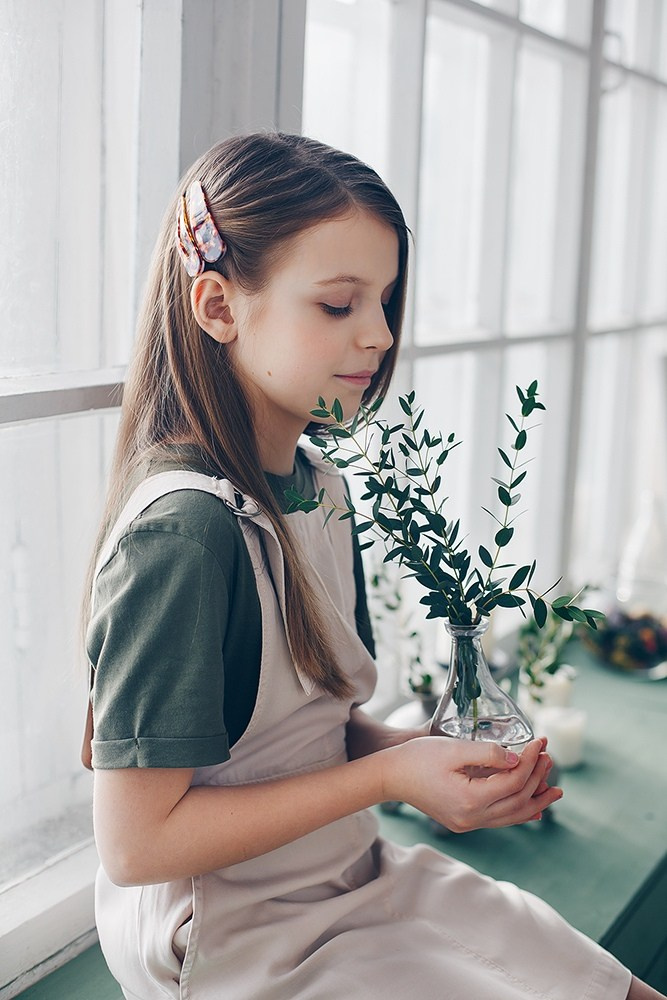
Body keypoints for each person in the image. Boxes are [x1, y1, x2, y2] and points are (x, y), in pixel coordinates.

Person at [84, 131, 662, 1000]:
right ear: (216, 306)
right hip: (241, 938)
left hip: (349, 875)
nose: (380, 335)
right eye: (337, 305)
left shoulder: (318, 488)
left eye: (385, 301)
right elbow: (137, 847)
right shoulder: (184, 536)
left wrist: (418, 756)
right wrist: (389, 776)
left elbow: (289, 742)